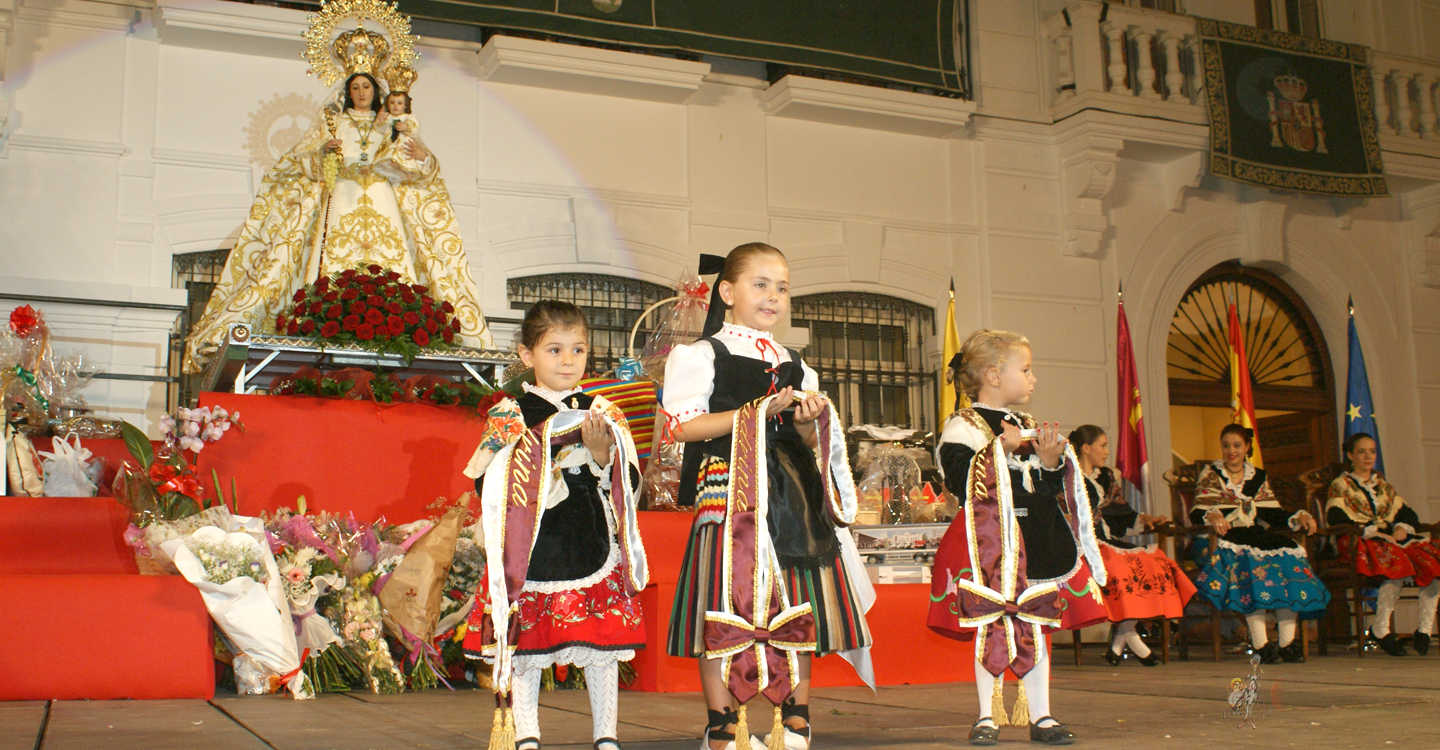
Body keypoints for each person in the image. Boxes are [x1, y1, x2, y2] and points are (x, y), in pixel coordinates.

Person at [662, 244, 872, 750]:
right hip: (730, 488)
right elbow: (681, 427)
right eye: (761, 284)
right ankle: (722, 723)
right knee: (724, 604)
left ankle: (795, 718)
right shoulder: (700, 355)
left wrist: (805, 424)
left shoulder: (797, 363)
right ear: (728, 292)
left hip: (793, 494)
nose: (773, 296)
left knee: (798, 602)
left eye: (782, 287)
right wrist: (755, 411)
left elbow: (806, 440)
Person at [184, 67, 491, 372]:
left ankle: (397, 314)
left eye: (366, 87)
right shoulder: (333, 123)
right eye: (355, 87)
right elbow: (299, 162)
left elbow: (423, 167)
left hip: (383, 197)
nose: (360, 92)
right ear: (347, 93)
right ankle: (328, 314)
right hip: (342, 195)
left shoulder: (394, 123)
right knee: (330, 256)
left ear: (376, 92)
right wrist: (323, 154)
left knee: (395, 259)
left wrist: (421, 155)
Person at [461, 300, 648, 750]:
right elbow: (486, 479)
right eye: (555, 350)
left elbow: (627, 478)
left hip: (592, 534)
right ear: (527, 356)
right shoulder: (510, 413)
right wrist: (539, 455)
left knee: (599, 641)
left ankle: (606, 733)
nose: (568, 361)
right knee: (528, 641)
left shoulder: (603, 410)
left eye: (578, 350)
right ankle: (526, 732)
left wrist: (602, 453)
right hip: (532, 542)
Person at [926, 330, 1108, 746]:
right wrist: (1001, 453)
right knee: (990, 625)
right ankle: (986, 715)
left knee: (1036, 622)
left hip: (1035, 540)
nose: (1033, 378)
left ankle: (1041, 715)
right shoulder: (962, 426)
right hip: (987, 542)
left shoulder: (1025, 424)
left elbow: (1043, 488)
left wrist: (1047, 463)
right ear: (993, 375)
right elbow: (962, 480)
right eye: (1024, 370)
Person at [1191, 424, 1329, 664]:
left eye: (1237, 446)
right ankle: (1261, 645)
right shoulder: (1211, 474)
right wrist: (1213, 515)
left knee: (1288, 567)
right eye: (1226, 446)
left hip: (1253, 536)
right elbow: (1198, 511)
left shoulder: (1257, 477)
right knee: (1254, 573)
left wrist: (1299, 516)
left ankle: (1286, 644)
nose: (1231, 451)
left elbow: (1273, 515)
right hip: (1222, 541)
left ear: (1246, 448)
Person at [1068, 425, 1196, 666]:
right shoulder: (1067, 475)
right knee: (1119, 570)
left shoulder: (1105, 476)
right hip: (1081, 544)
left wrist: (1145, 519)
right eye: (1103, 445)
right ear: (1086, 448)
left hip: (1107, 541)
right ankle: (1134, 643)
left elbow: (1121, 512)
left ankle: (1119, 643)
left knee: (1155, 562)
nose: (1107, 451)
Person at [1325, 432, 1440, 656]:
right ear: (1350, 455)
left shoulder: (1383, 486)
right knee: (1394, 561)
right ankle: (1380, 628)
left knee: (1432, 563)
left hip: (1389, 542)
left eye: (1372, 451)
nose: (1368, 456)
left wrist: (1400, 527)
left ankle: (1424, 630)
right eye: (1361, 452)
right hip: (1359, 541)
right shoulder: (1341, 485)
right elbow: (1336, 517)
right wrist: (1376, 532)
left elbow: (1408, 514)